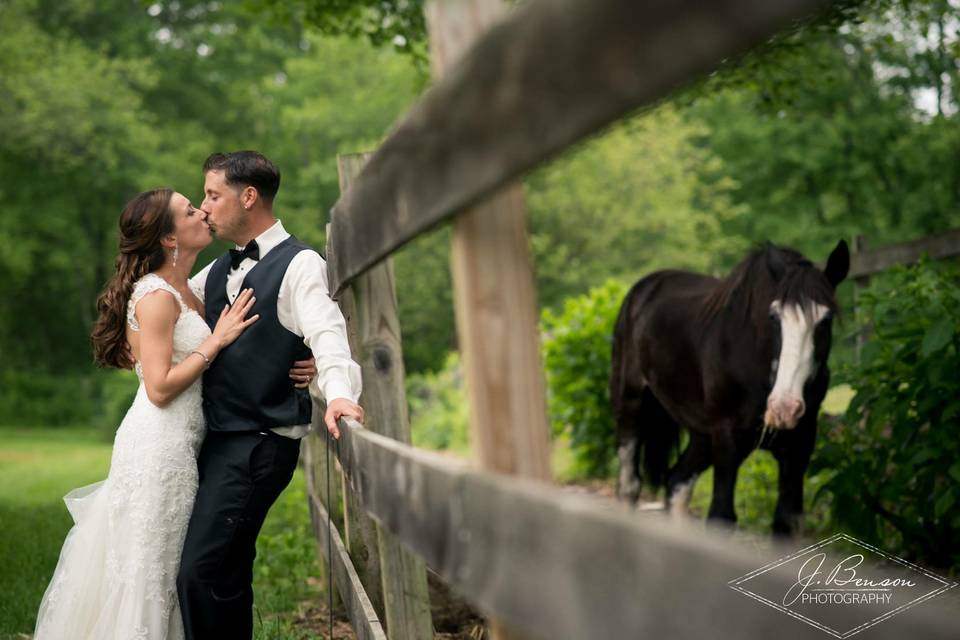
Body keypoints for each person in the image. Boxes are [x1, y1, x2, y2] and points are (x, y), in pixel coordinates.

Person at [33, 187, 315, 639]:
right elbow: (160, 387)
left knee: (171, 565)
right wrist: (215, 341)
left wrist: (308, 359)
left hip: (187, 440)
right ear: (168, 238)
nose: (202, 211)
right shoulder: (157, 295)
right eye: (189, 210)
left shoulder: (190, 286)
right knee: (151, 567)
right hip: (158, 443)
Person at [176, 150, 364, 639]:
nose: (205, 206)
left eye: (213, 195)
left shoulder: (300, 264)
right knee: (227, 572)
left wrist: (337, 390)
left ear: (248, 196)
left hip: (260, 442)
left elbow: (327, 334)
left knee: (200, 572)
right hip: (217, 440)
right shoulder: (216, 271)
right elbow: (165, 312)